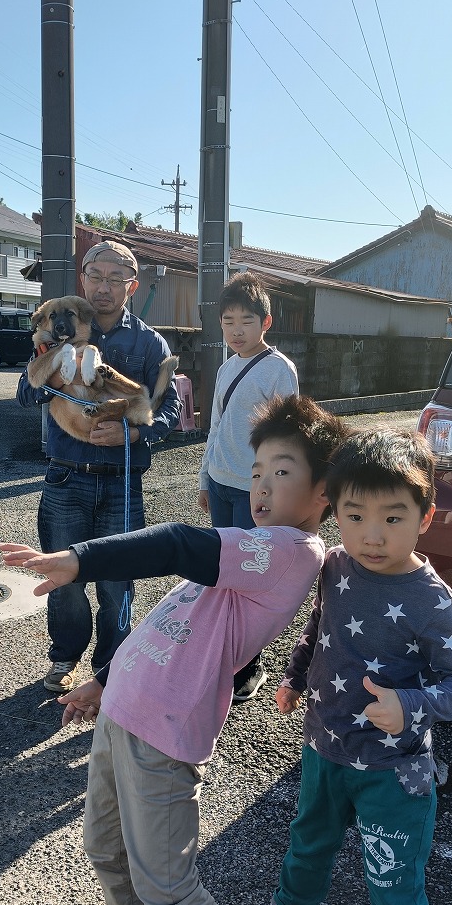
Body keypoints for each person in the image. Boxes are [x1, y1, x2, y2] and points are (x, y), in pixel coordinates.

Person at [0, 396, 347, 905]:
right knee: (103, 844)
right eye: (256, 473)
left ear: (324, 493)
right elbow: (173, 615)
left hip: (164, 738)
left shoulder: (289, 552)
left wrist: (81, 558)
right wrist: (105, 680)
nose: (261, 488)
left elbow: (178, 544)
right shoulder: (249, 552)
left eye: (282, 472)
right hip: (124, 713)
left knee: (170, 885)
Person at [237, 428, 452, 905]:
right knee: (308, 844)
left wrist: (410, 706)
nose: (371, 534)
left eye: (393, 517)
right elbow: (318, 628)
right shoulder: (337, 566)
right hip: (324, 752)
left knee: (395, 891)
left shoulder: (432, 601)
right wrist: (294, 675)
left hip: (392, 776)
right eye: (354, 515)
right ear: (334, 510)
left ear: (426, 518)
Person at [21, 240, 181, 695]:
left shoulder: (149, 343)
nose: (104, 287)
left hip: (122, 481)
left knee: (117, 582)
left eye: (116, 279)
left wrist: (134, 434)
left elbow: (170, 410)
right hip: (65, 476)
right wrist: (53, 367)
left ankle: (111, 668)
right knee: (63, 578)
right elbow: (25, 393)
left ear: (131, 286)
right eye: (96, 277)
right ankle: (64, 656)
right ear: (82, 280)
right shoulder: (56, 327)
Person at [196, 271, 299, 705]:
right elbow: (216, 427)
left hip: (252, 493)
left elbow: (290, 437)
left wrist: (276, 493)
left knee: (250, 579)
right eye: (228, 321)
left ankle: (249, 664)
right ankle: (226, 653)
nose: (236, 330)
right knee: (223, 574)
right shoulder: (225, 368)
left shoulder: (279, 370)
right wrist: (204, 477)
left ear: (266, 323)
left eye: (246, 321)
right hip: (221, 484)